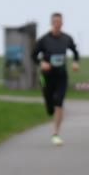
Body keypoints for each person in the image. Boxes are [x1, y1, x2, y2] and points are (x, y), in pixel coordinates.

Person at [32, 12, 80, 146]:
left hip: (61, 76)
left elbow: (75, 52)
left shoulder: (67, 39)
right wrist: (42, 63)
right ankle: (48, 104)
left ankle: (56, 133)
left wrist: (75, 63)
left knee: (59, 103)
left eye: (59, 22)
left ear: (62, 23)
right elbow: (33, 55)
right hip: (45, 77)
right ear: (51, 23)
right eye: (55, 22)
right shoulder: (44, 40)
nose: (57, 24)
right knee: (50, 106)